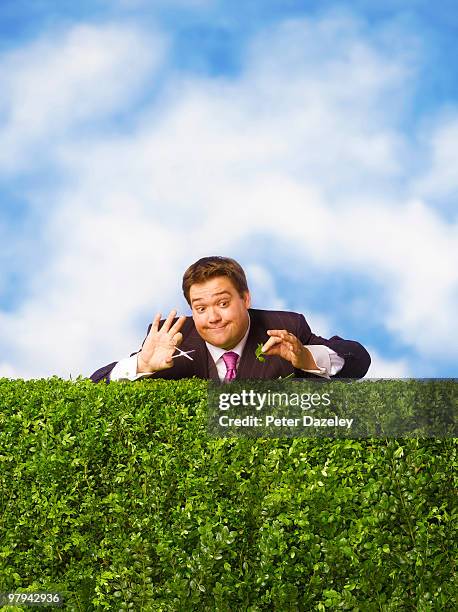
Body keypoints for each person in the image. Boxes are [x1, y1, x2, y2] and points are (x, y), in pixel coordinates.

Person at [90, 256, 371, 383]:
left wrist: (307, 359)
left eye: (223, 303)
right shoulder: (168, 340)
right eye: (200, 308)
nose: (213, 317)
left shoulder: (286, 328)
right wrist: (141, 364)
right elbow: (94, 387)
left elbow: (357, 360)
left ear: (245, 299)